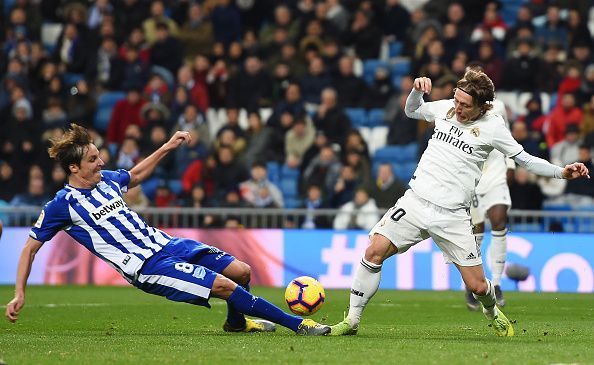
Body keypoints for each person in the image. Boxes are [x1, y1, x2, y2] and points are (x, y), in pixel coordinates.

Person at [330, 70, 590, 337]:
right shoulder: (445, 109)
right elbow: (412, 111)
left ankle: (491, 309)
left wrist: (561, 171)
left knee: (477, 287)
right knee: (374, 251)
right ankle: (352, 320)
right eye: (456, 100)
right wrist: (416, 91)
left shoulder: (493, 127)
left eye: (465, 105)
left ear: (483, 106)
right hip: (416, 201)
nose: (458, 108)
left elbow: (524, 159)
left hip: (452, 215)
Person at [5, 124, 330, 336]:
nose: (101, 162)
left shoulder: (106, 182)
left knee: (241, 271)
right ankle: (300, 325)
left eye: (99, 156)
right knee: (224, 285)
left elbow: (136, 175)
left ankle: (236, 322)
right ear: (74, 167)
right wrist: (20, 292)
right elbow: (30, 247)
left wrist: (166, 147)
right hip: (147, 266)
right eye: (92, 159)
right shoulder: (62, 204)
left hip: (168, 244)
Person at [465, 98, 514, 310]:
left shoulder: (499, 105)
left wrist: (510, 164)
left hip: (496, 176)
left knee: (499, 221)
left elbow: (507, 135)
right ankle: (471, 283)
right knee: (476, 231)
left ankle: (497, 282)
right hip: (473, 180)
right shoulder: (462, 107)